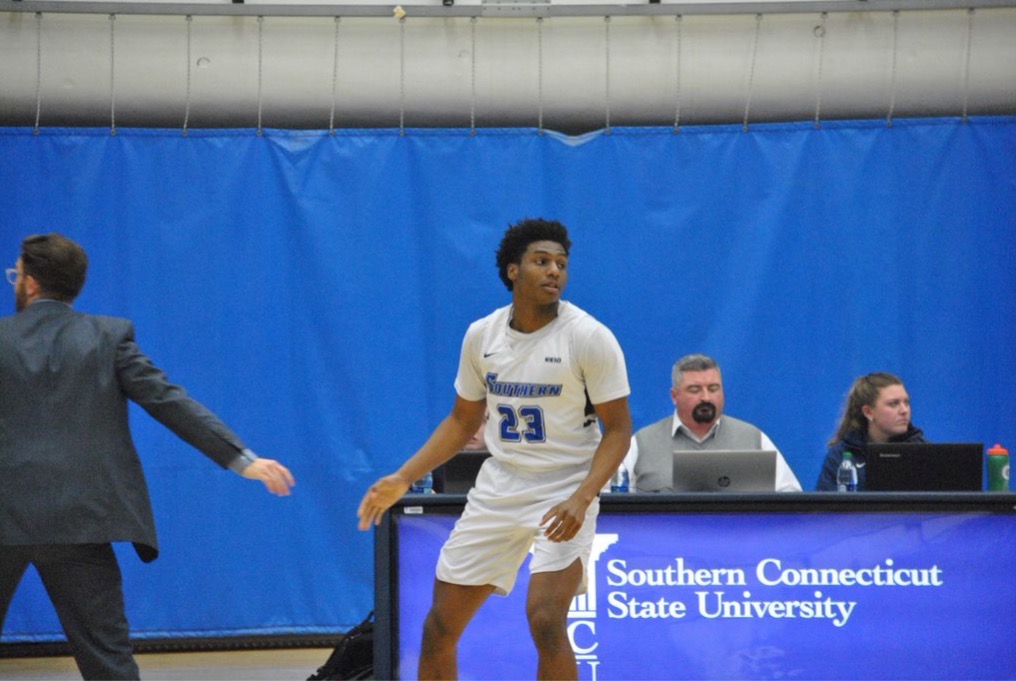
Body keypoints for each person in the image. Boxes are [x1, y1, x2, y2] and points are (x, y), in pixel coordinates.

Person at [0, 233, 295, 680]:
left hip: (5, 512)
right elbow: (168, 400)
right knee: (108, 658)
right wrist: (241, 458)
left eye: (16, 274)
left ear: (32, 282)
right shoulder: (107, 337)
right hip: (81, 519)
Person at [357, 218, 632, 680]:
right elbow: (462, 421)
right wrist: (403, 477)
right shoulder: (481, 336)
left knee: (546, 621)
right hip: (501, 485)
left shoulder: (588, 337)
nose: (554, 271)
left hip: (565, 487)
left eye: (561, 264)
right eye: (541, 261)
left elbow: (619, 430)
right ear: (512, 270)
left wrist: (583, 496)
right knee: (439, 626)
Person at [624, 354, 801, 492]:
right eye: (695, 390)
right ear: (674, 396)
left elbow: (789, 494)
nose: (706, 397)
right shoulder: (642, 443)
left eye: (713, 389)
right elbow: (614, 498)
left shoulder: (754, 438)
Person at [815, 372, 925, 491]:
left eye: (907, 402)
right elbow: (827, 502)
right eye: (893, 404)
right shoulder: (841, 456)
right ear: (868, 412)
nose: (904, 410)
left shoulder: (924, 452)